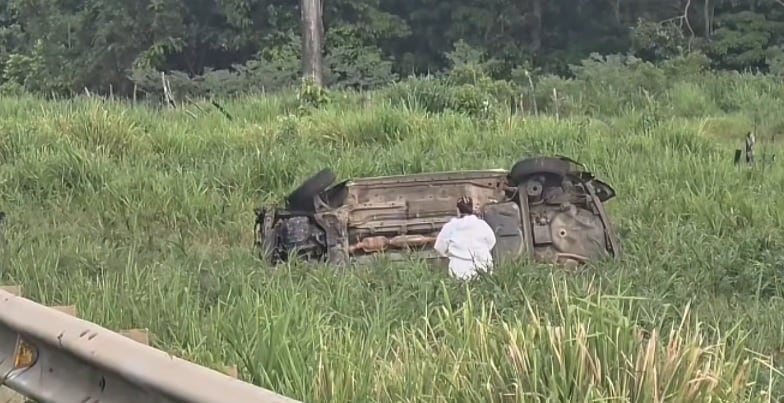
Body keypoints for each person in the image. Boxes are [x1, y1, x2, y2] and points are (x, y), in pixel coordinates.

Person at [433, 196, 497, 280]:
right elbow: (492, 241)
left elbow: (439, 247)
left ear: (458, 210)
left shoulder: (451, 226)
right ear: (471, 208)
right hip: (483, 265)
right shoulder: (482, 224)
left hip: (459, 268)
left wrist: (449, 254)